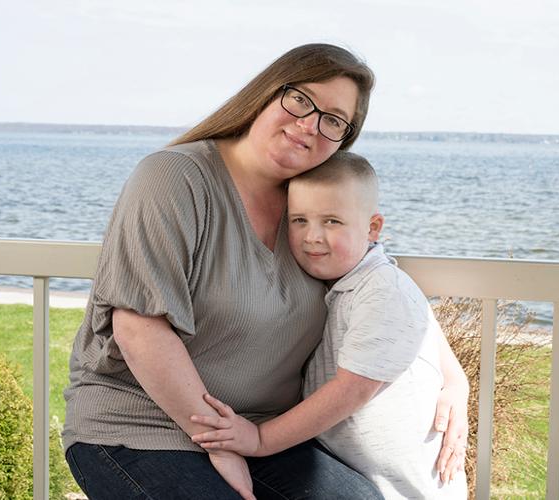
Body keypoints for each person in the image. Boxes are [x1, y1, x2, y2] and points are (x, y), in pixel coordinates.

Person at [61, 43, 469, 499]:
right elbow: (139, 330)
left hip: (265, 434)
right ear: (267, 92)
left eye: (332, 120)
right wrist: (221, 446)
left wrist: (454, 378)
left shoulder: (310, 206)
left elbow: (379, 281)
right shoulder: (174, 178)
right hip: (139, 427)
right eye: (300, 99)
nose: (309, 125)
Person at [190, 152, 470, 499]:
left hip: (410, 489)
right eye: (299, 220)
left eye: (332, 221)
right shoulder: (344, 280)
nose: (313, 237)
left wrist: (259, 439)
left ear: (372, 228)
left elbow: (351, 389)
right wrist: (459, 380)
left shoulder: (382, 290)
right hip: (357, 474)